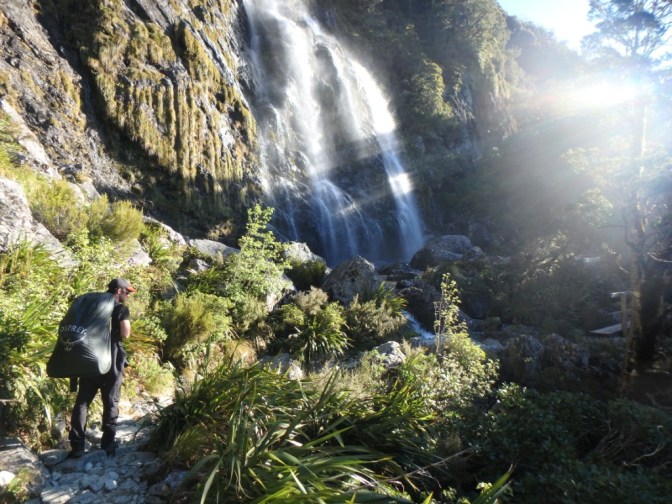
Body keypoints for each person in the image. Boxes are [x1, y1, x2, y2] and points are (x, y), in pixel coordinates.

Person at [68, 278, 136, 458]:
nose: (128, 295)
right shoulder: (120, 309)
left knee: (82, 402)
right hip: (111, 359)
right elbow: (125, 334)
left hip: (90, 359)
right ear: (119, 291)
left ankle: (76, 446)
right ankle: (107, 445)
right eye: (127, 292)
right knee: (111, 401)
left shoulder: (93, 307)